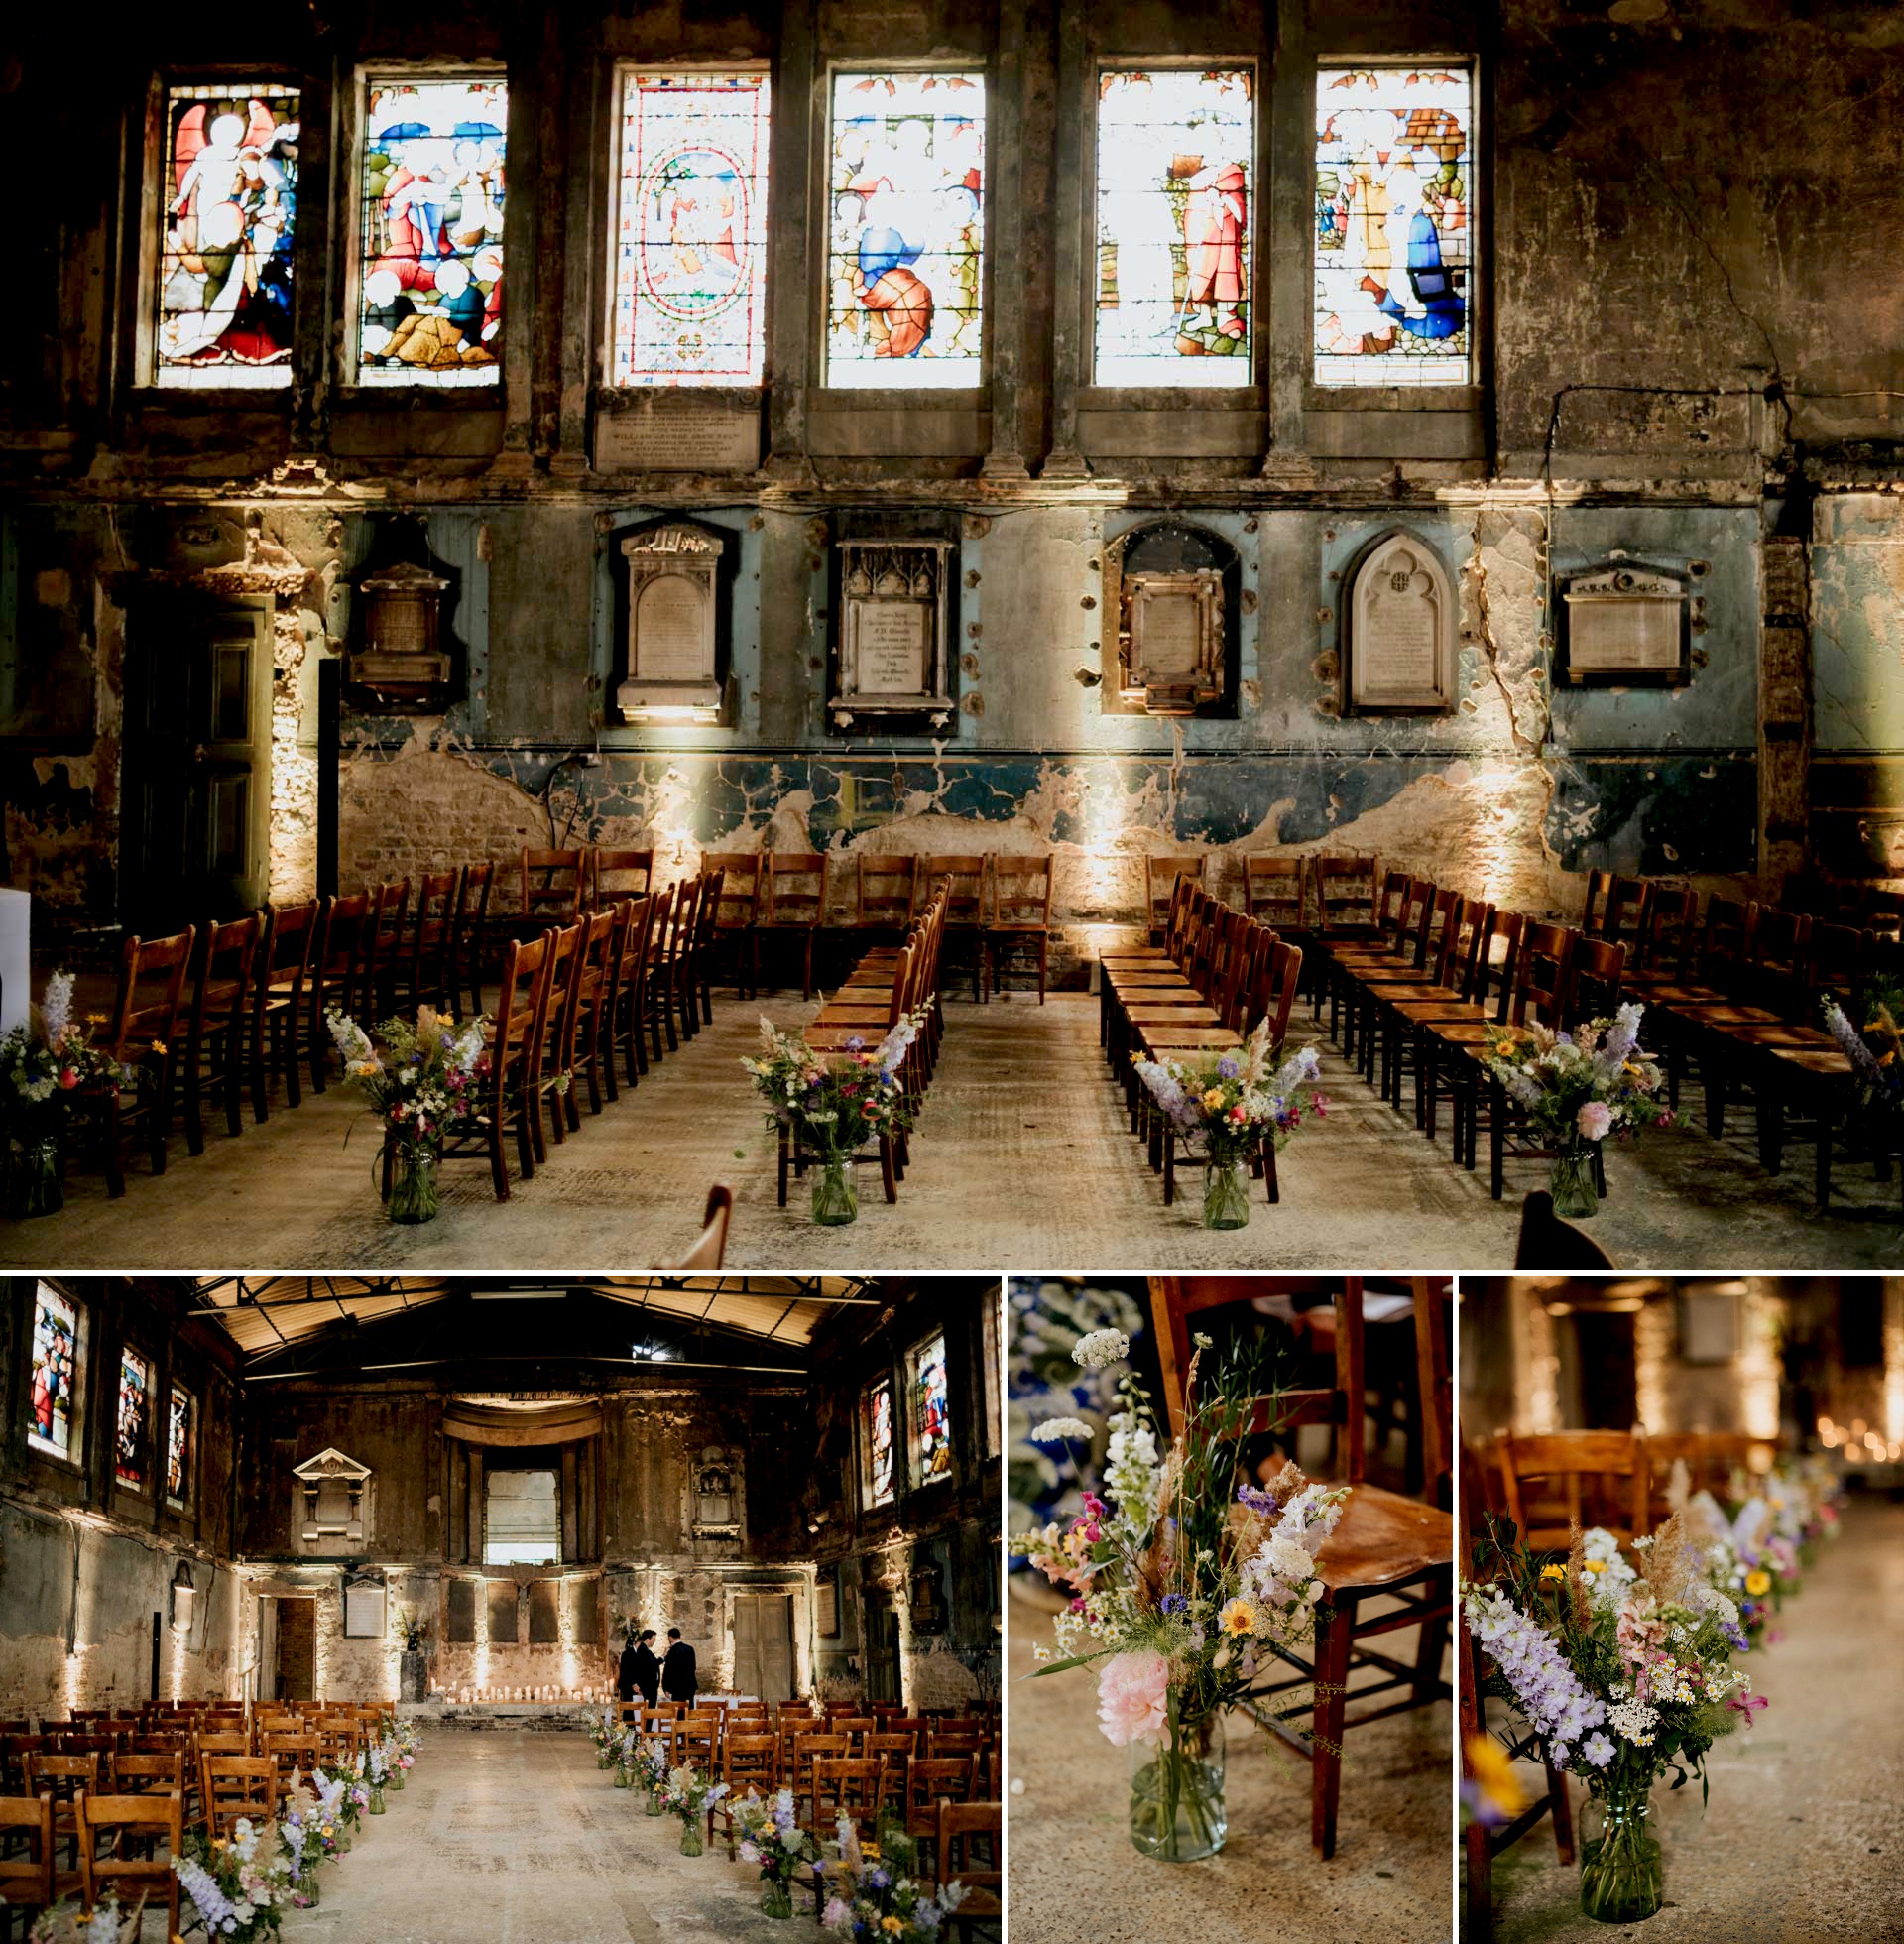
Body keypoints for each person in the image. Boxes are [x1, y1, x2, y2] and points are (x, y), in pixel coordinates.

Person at [661, 1627, 697, 1704]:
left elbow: (668, 1671)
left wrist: (666, 1688)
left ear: (670, 1638)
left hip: (677, 1688)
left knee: (679, 1713)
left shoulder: (671, 1651)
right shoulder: (690, 1649)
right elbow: (693, 1667)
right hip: (690, 1686)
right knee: (689, 1712)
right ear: (679, 1636)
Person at [632, 1629, 660, 1708]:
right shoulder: (643, 1650)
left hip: (651, 1687)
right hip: (648, 1686)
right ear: (647, 1640)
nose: (654, 1641)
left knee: (651, 1710)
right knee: (649, 1710)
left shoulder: (645, 1650)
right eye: (653, 1639)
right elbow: (652, 1664)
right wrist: (663, 1657)